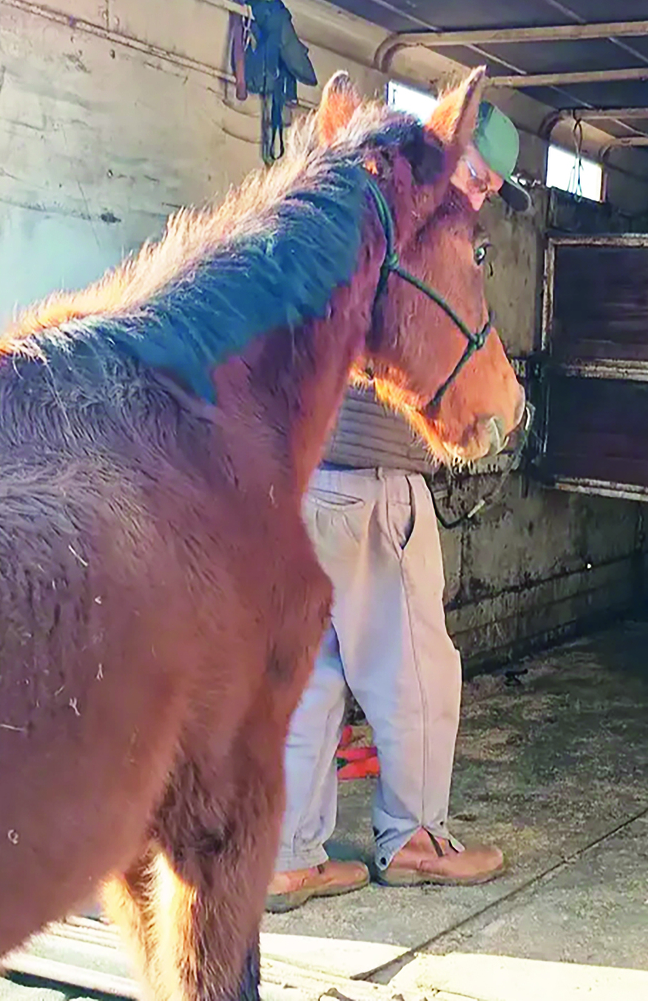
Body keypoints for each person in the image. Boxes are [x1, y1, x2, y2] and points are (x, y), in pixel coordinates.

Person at [266, 99, 531, 913]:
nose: (480, 195)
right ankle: (415, 839)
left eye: (491, 186)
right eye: (478, 176)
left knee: (311, 675)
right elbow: (421, 349)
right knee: (416, 668)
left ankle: (288, 858)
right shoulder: (413, 235)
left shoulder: (340, 215)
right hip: (375, 487)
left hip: (304, 481)